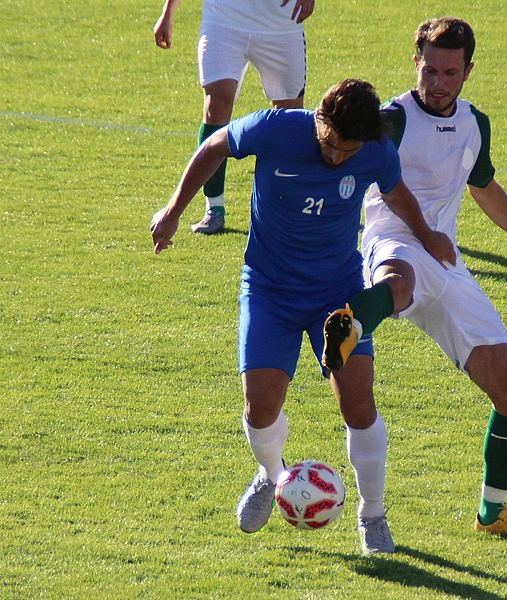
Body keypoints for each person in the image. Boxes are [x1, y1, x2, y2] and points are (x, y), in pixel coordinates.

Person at [150, 79, 456, 554]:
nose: (337, 158)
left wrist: (428, 235)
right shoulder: (274, 128)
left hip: (336, 292)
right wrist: (173, 210)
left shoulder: (374, 151)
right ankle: (273, 478)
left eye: (347, 152)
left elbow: (395, 192)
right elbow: (214, 146)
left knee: (357, 405)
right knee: (261, 408)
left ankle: (372, 514)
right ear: (318, 118)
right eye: (330, 145)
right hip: (269, 291)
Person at [322, 17, 507, 541]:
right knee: (398, 280)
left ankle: (494, 514)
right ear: (415, 61)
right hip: (394, 242)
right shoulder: (390, 120)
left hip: (446, 262)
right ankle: (349, 325)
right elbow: (335, 159)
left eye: (450, 71)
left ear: (468, 70)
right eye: (429, 69)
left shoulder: (474, 123)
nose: (438, 82)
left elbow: (483, 187)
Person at [154, 0, 316, 234]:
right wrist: (167, 12)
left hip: (280, 22)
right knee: (216, 103)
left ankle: (285, 207)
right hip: (223, 19)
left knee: (288, 116)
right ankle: (214, 207)